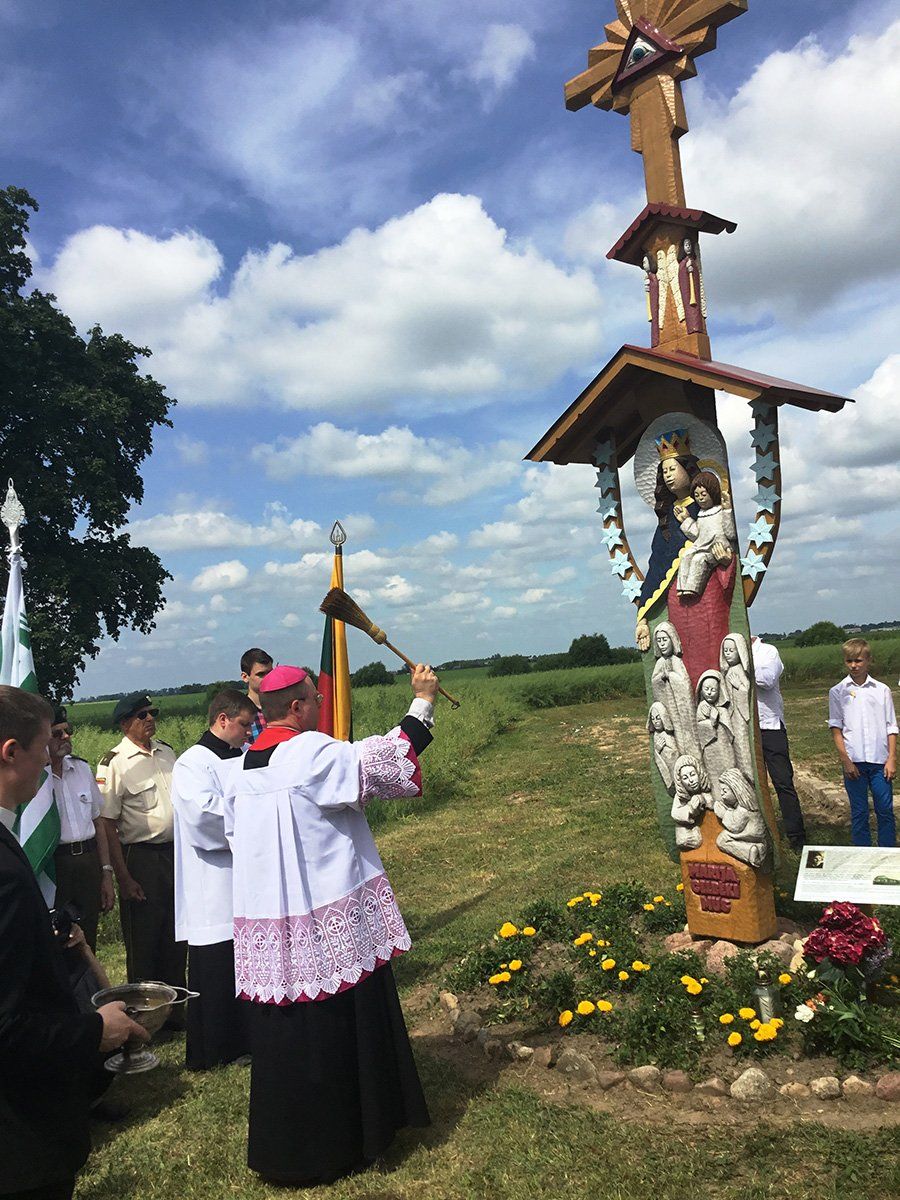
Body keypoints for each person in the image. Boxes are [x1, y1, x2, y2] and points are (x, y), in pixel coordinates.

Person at [226, 663, 438, 1185]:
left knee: (289, 1038)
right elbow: (387, 765)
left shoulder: (244, 766)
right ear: (296, 708)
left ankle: (288, 1148)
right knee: (344, 1023)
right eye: (314, 700)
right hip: (324, 916)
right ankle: (351, 1136)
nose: (320, 707)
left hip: (274, 925)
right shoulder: (311, 752)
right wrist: (423, 702)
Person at [0, 685, 145, 1200]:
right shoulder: (4, 871)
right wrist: (92, 1031)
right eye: (43, 748)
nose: (48, 764)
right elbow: (8, 1024)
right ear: (10, 752)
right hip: (19, 1146)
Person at [172, 688, 255, 1070]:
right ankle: (215, 1049)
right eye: (243, 724)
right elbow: (202, 817)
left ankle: (246, 1039)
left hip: (244, 875)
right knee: (217, 963)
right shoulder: (193, 762)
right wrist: (256, 816)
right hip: (212, 879)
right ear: (222, 719)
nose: (247, 732)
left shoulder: (242, 757)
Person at [97, 694, 186, 1010]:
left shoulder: (167, 753)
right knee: (145, 938)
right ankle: (145, 1010)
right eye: (141, 715)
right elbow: (107, 824)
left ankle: (175, 1010)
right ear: (125, 723)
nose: (149, 718)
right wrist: (123, 875)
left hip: (175, 853)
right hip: (142, 856)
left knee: (176, 935)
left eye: (152, 712)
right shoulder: (115, 764)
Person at [49, 706, 115, 952]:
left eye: (69, 731)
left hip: (87, 862)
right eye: (57, 733)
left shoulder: (81, 769)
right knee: (57, 937)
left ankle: (89, 988)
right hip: (56, 865)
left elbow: (98, 822)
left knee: (88, 937)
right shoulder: (36, 778)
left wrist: (106, 873)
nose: (66, 737)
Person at [828, 638, 897, 847]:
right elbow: (836, 728)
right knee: (859, 812)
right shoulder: (837, 691)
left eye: (858, 660)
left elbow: (891, 726)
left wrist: (892, 758)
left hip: (879, 761)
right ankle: (862, 856)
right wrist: (845, 760)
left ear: (868, 660)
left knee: (885, 810)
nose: (854, 665)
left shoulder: (881, 690)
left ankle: (887, 855)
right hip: (854, 762)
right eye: (849, 661)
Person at [751, 635, 807, 852]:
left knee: (783, 782)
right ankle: (759, 833)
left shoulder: (768, 652)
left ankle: (796, 835)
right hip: (745, 729)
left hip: (770, 727)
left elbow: (767, 680)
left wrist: (742, 665)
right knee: (751, 784)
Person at [241, 648, 273, 744]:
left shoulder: (282, 707)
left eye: (270, 673)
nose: (268, 678)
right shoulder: (239, 714)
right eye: (261, 674)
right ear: (245, 677)